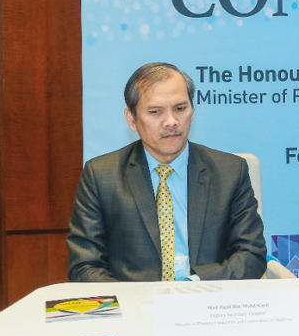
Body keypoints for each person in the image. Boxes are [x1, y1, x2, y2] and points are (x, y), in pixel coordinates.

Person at [67, 63, 266, 281]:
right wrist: (133, 303)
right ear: (131, 119)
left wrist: (194, 287)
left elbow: (251, 255)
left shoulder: (230, 172)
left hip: (207, 303)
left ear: (192, 111)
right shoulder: (101, 176)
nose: (171, 122)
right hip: (136, 308)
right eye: (155, 112)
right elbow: (85, 266)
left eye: (180, 109)